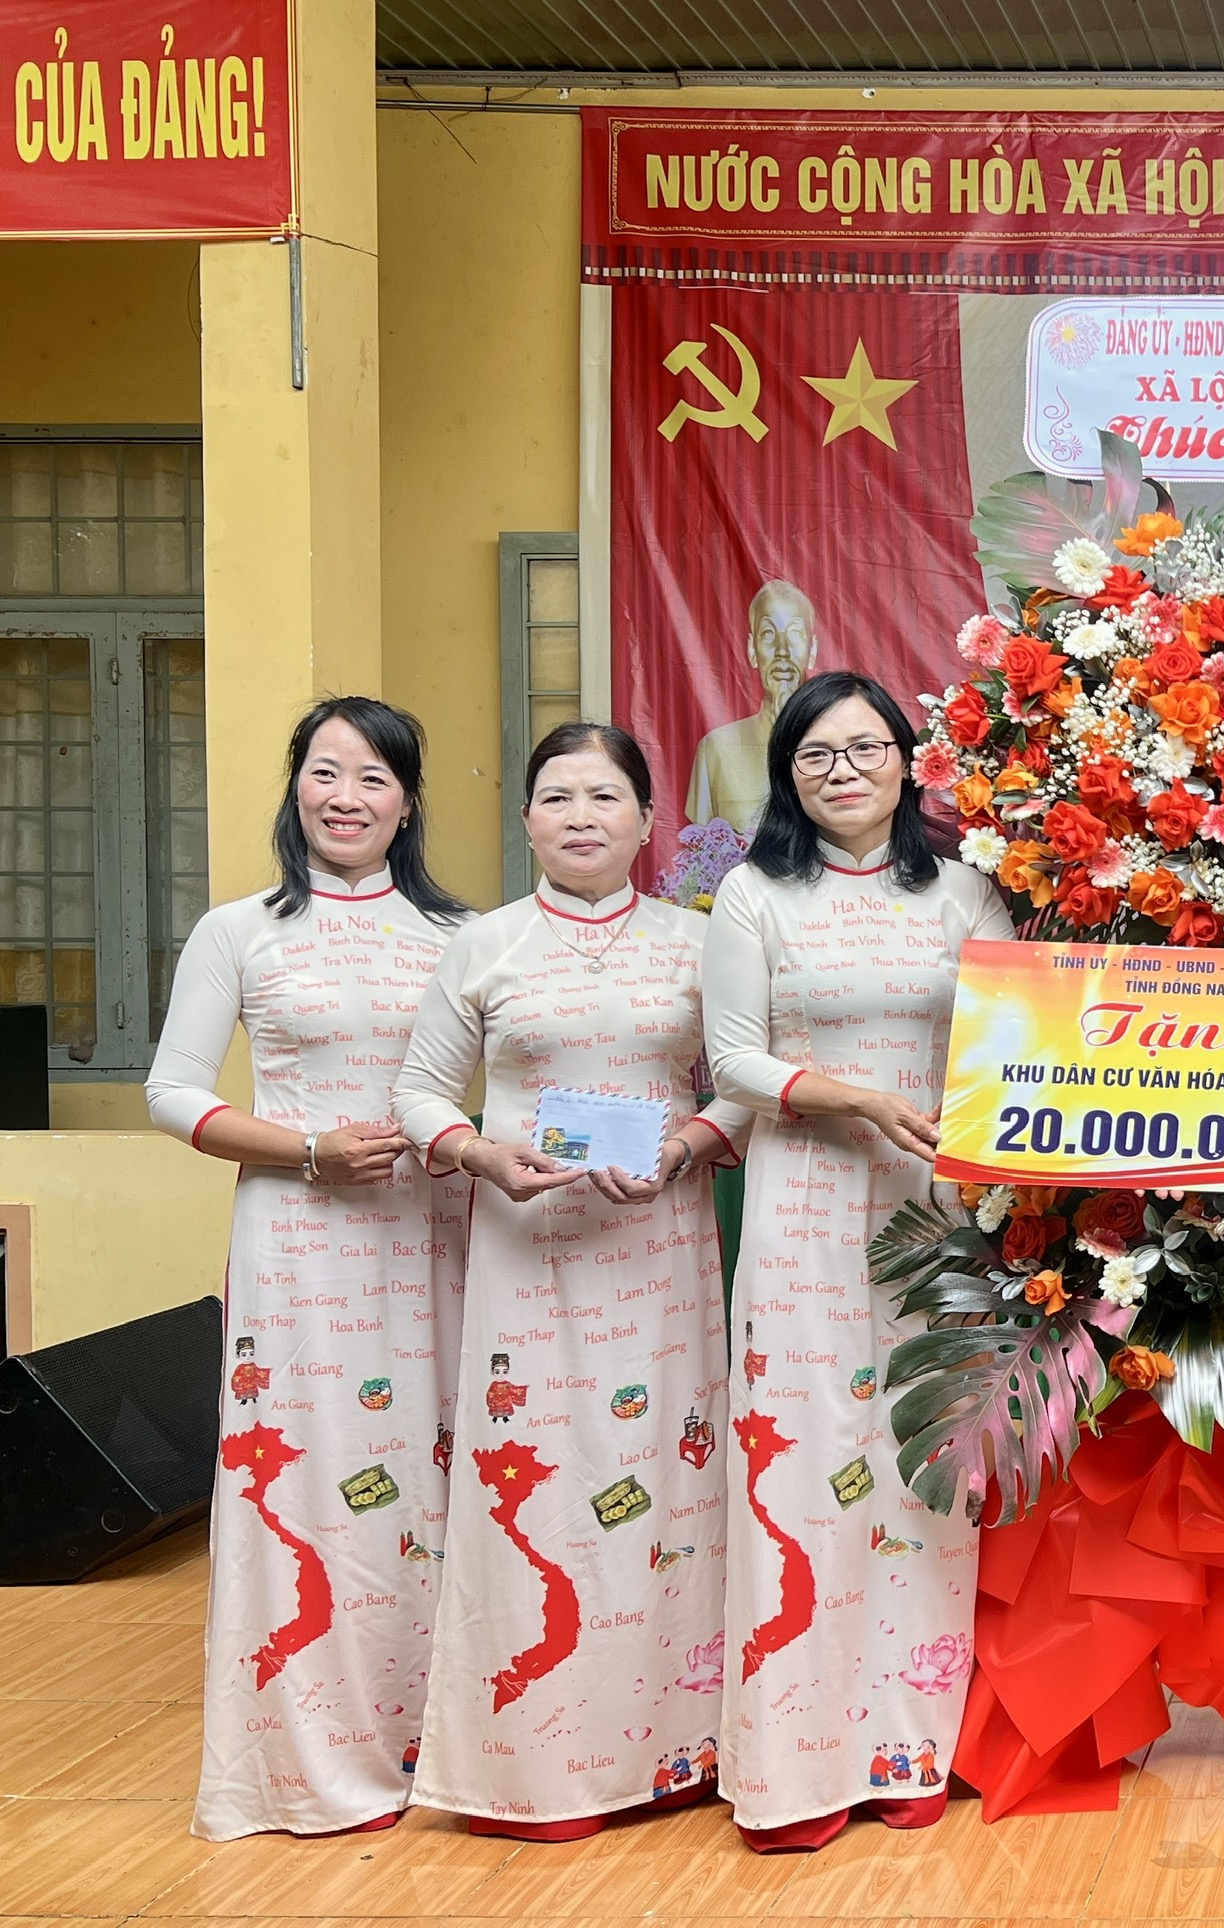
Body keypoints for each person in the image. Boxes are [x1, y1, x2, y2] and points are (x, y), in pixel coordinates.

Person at [393, 722, 750, 1843]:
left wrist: (688, 1146)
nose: (581, 816)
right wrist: (478, 1154)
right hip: (526, 1249)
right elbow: (419, 1092)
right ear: (527, 820)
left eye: (605, 796)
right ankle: (534, 1764)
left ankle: (673, 1747)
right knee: (535, 1486)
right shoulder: (483, 944)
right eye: (557, 796)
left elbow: (745, 1085)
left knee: (666, 1480)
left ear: (649, 822)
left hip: (660, 1249)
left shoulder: (703, 943)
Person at [146, 697, 475, 1841]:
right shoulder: (238, 930)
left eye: (375, 776)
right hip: (297, 1240)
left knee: (432, 1479)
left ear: (408, 802)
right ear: (295, 785)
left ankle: (443, 1746)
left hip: (435, 1233)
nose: (348, 796)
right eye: (327, 771)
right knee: (303, 1486)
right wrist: (308, 1149)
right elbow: (172, 1090)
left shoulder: (462, 933)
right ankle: (298, 1762)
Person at [702, 668, 1014, 1850]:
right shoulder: (752, 894)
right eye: (816, 754)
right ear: (786, 773)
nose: (843, 771)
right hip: (803, 1205)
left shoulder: (964, 890)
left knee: (924, 1464)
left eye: (865, 747)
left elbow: (1015, 1036)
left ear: (907, 760)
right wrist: (851, 1097)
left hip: (938, 1210)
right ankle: (792, 1760)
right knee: (797, 1464)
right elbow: (732, 1058)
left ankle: (905, 1745)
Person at [686, 579, 820, 833]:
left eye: (795, 634)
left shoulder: (837, 749)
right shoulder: (715, 749)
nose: (782, 651)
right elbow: (701, 846)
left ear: (812, 651)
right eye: (769, 634)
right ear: (752, 650)